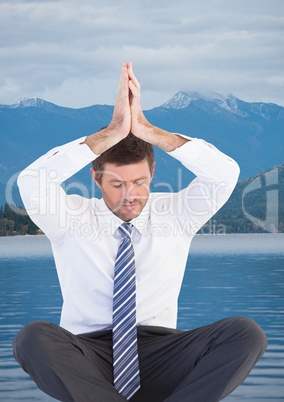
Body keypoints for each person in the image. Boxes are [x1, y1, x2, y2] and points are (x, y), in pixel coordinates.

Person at [13, 62, 267, 402]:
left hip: (163, 351)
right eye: (117, 183)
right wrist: (110, 134)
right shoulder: (69, 217)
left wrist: (149, 131)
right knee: (32, 338)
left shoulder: (176, 214)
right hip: (89, 355)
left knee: (245, 334)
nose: (129, 194)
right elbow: (32, 181)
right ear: (96, 178)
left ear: (153, 172)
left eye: (139, 182)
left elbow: (224, 173)